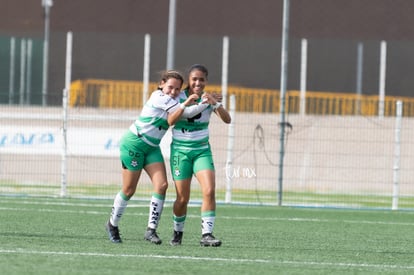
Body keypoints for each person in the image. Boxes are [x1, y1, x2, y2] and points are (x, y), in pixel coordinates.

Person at [105, 70, 211, 244]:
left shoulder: (176, 100)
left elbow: (187, 111)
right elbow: (183, 114)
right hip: (134, 143)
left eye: (177, 89)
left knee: (161, 185)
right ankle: (112, 224)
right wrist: (196, 103)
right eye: (170, 87)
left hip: (152, 147)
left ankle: (150, 230)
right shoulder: (158, 96)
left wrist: (204, 101)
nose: (173, 91)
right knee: (129, 190)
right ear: (161, 84)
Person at [169, 64, 231, 247]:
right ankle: (177, 232)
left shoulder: (209, 98)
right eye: (194, 79)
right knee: (182, 198)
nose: (197, 82)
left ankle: (207, 234)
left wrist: (214, 103)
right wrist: (195, 103)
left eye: (201, 79)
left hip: (202, 151)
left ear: (206, 81)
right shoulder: (179, 96)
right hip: (180, 152)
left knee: (209, 191)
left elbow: (227, 119)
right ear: (188, 80)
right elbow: (171, 120)